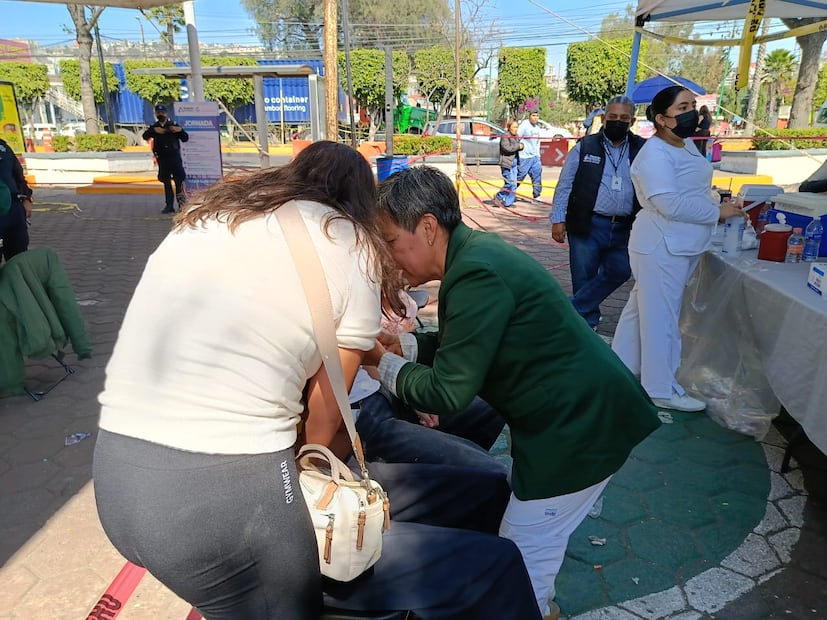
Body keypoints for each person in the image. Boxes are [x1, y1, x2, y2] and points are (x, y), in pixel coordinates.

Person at [93, 141, 540, 620]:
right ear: (365, 205)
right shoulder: (351, 243)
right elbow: (328, 416)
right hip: (227, 507)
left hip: (118, 481)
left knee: (478, 498)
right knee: (493, 560)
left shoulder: (210, 219)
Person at [367, 165, 661, 619]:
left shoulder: (475, 273)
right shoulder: (475, 255)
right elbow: (468, 345)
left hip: (578, 429)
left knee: (517, 563)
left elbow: (448, 393)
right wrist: (405, 344)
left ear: (427, 227)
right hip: (573, 422)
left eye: (389, 242)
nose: (389, 258)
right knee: (525, 551)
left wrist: (378, 361)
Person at [611, 86, 744, 413]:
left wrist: (714, 202)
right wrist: (717, 213)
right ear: (661, 119)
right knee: (662, 319)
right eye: (683, 107)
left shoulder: (683, 146)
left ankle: (620, 370)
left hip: (676, 244)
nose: (691, 113)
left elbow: (689, 189)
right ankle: (660, 388)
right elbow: (668, 203)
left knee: (642, 311)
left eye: (692, 105)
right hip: (661, 244)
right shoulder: (655, 153)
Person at [550, 95, 645, 330]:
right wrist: (558, 219)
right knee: (583, 278)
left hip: (626, 227)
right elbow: (565, 184)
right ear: (603, 119)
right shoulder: (585, 146)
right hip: (588, 224)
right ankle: (587, 325)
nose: (618, 122)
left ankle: (571, 310)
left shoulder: (642, 149)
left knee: (621, 270)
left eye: (624, 118)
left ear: (632, 121)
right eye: (612, 117)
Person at [142, 104, 188, 214]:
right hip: (163, 159)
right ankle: (169, 205)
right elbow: (145, 136)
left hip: (175, 158)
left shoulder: (173, 125)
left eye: (162, 113)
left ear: (166, 114)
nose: (160, 115)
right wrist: (154, 130)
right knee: (166, 183)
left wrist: (179, 130)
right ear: (156, 114)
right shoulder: (155, 127)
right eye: (158, 113)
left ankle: (182, 204)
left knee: (178, 182)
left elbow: (185, 138)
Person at [0, 137, 33, 263]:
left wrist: (26, 199)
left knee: (19, 259)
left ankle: (16, 282)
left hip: (14, 211)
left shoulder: (3, 148)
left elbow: (18, 176)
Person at [493, 118, 523, 208]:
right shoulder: (505, 136)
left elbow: (520, 146)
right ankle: (499, 196)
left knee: (514, 184)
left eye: (517, 127)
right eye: (514, 127)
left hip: (514, 162)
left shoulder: (517, 136)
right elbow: (508, 148)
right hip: (506, 163)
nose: (516, 129)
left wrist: (522, 146)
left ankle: (508, 202)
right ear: (509, 127)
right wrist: (518, 146)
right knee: (510, 183)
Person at [517, 111, 543, 202]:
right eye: (533, 115)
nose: (535, 118)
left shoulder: (537, 128)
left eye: (537, 116)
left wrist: (538, 155)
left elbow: (538, 143)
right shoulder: (524, 125)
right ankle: (507, 192)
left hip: (535, 157)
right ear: (529, 116)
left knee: (537, 176)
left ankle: (536, 196)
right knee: (519, 176)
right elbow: (517, 138)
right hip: (524, 157)